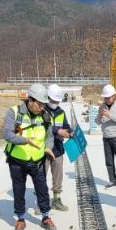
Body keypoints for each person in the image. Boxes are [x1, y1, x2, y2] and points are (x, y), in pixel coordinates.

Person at [2, 83, 56, 230]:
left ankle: (46, 216)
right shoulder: (14, 113)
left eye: (44, 104)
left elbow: (49, 136)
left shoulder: (45, 115)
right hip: (17, 161)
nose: (42, 107)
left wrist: (48, 147)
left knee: (42, 189)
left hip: (37, 161)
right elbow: (7, 134)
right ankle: (20, 218)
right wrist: (25, 140)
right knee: (19, 190)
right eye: (39, 104)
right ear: (30, 100)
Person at [45, 83, 73, 211]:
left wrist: (70, 132)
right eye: (53, 100)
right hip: (44, 149)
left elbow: (66, 126)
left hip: (58, 149)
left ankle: (56, 200)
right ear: (48, 98)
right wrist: (58, 131)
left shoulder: (61, 112)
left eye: (57, 101)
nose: (55, 103)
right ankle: (41, 202)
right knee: (40, 176)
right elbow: (43, 127)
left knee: (58, 177)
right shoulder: (41, 111)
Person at [96, 84, 116, 190]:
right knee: (109, 161)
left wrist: (109, 114)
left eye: (108, 97)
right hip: (106, 137)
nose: (106, 99)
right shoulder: (102, 107)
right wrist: (99, 116)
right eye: (105, 97)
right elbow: (97, 122)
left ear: (114, 96)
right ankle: (112, 180)